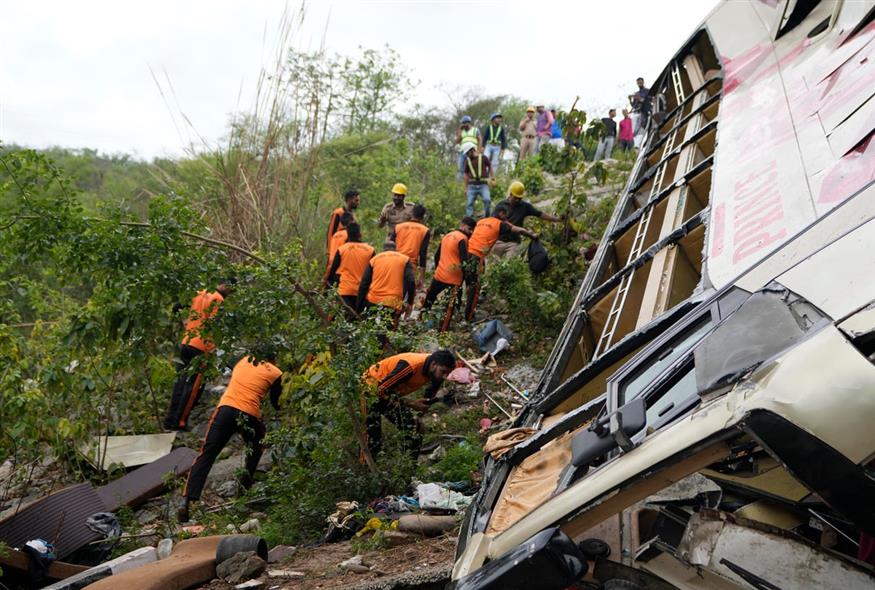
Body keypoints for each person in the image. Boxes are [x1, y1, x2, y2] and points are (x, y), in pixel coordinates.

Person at [177, 352, 283, 522]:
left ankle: (186, 500)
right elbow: (275, 402)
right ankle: (243, 493)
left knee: (207, 454)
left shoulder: (243, 361)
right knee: (256, 448)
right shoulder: (276, 372)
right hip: (249, 414)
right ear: (274, 359)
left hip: (225, 409)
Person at [163, 281, 233, 431]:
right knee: (193, 387)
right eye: (231, 289)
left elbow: (177, 307)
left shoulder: (200, 292)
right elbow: (214, 324)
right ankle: (179, 422)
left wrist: (186, 324)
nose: (230, 293)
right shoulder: (218, 300)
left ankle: (170, 420)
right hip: (201, 347)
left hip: (186, 342)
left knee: (181, 382)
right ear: (225, 286)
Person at [363, 349, 456, 458]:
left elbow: (427, 399)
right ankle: (367, 470)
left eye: (448, 373)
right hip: (369, 391)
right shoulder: (410, 366)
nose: (445, 376)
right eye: (443, 371)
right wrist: (411, 403)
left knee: (413, 431)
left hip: (389, 393)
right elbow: (380, 390)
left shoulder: (436, 373)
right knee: (372, 438)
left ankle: (408, 470)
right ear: (434, 364)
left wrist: (418, 418)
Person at [466, 204, 537, 320]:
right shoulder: (499, 224)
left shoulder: (481, 221)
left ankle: (466, 308)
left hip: (467, 252)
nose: (506, 218)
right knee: (475, 286)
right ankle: (469, 316)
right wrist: (532, 236)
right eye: (505, 215)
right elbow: (518, 230)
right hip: (477, 256)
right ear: (501, 213)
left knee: (468, 282)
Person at [423, 216, 476, 331]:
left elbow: (437, 255)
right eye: (470, 229)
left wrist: (438, 268)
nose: (471, 232)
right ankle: (444, 332)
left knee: (430, 298)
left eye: (473, 230)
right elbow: (464, 262)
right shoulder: (462, 238)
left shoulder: (447, 236)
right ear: (462, 225)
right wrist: (469, 281)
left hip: (439, 275)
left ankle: (421, 320)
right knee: (450, 307)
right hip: (454, 279)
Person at [492, 181, 562, 259]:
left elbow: (540, 214)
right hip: (498, 241)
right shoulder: (501, 205)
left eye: (519, 198)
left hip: (513, 243)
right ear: (510, 194)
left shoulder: (524, 206)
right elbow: (492, 223)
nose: (517, 200)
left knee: (510, 264)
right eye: (515, 198)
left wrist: (557, 219)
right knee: (494, 265)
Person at [357, 240, 416, 317]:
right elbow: (411, 281)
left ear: (383, 250)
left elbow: (364, 284)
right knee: (391, 327)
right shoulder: (405, 259)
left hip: (374, 301)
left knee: (372, 325)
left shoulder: (374, 259)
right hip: (394, 302)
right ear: (395, 249)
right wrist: (410, 303)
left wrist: (358, 308)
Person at [327, 222, 375, 314]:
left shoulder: (342, 249)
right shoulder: (370, 250)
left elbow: (332, 271)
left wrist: (328, 288)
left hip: (345, 290)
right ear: (360, 234)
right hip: (362, 293)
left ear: (347, 235)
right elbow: (374, 273)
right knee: (358, 320)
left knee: (345, 320)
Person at [392, 204, 431, 288]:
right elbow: (423, 254)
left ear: (412, 213)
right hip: (409, 266)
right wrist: (422, 278)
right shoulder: (424, 230)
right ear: (423, 216)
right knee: (406, 295)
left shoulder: (398, 227)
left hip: (394, 262)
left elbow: (390, 246)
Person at [463, 143, 493, 217]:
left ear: (472, 150)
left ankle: (486, 217)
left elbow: (490, 165)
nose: (467, 154)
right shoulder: (468, 161)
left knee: (487, 200)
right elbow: (466, 174)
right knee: (469, 203)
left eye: (467, 152)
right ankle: (469, 220)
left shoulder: (483, 157)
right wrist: (466, 188)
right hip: (472, 185)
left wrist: (492, 177)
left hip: (483, 185)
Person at [327, 189, 360, 256]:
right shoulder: (338, 213)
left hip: (348, 252)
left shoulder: (353, 215)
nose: (358, 203)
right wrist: (329, 251)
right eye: (356, 200)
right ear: (349, 199)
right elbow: (331, 232)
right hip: (336, 249)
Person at [629, 77, 650, 146]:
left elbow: (646, 100)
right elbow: (634, 106)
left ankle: (647, 142)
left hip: (646, 112)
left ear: (643, 82)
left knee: (646, 128)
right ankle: (637, 145)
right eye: (638, 83)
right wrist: (630, 100)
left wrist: (638, 98)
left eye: (640, 82)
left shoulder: (647, 91)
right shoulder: (636, 93)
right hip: (638, 114)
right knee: (636, 131)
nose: (639, 83)